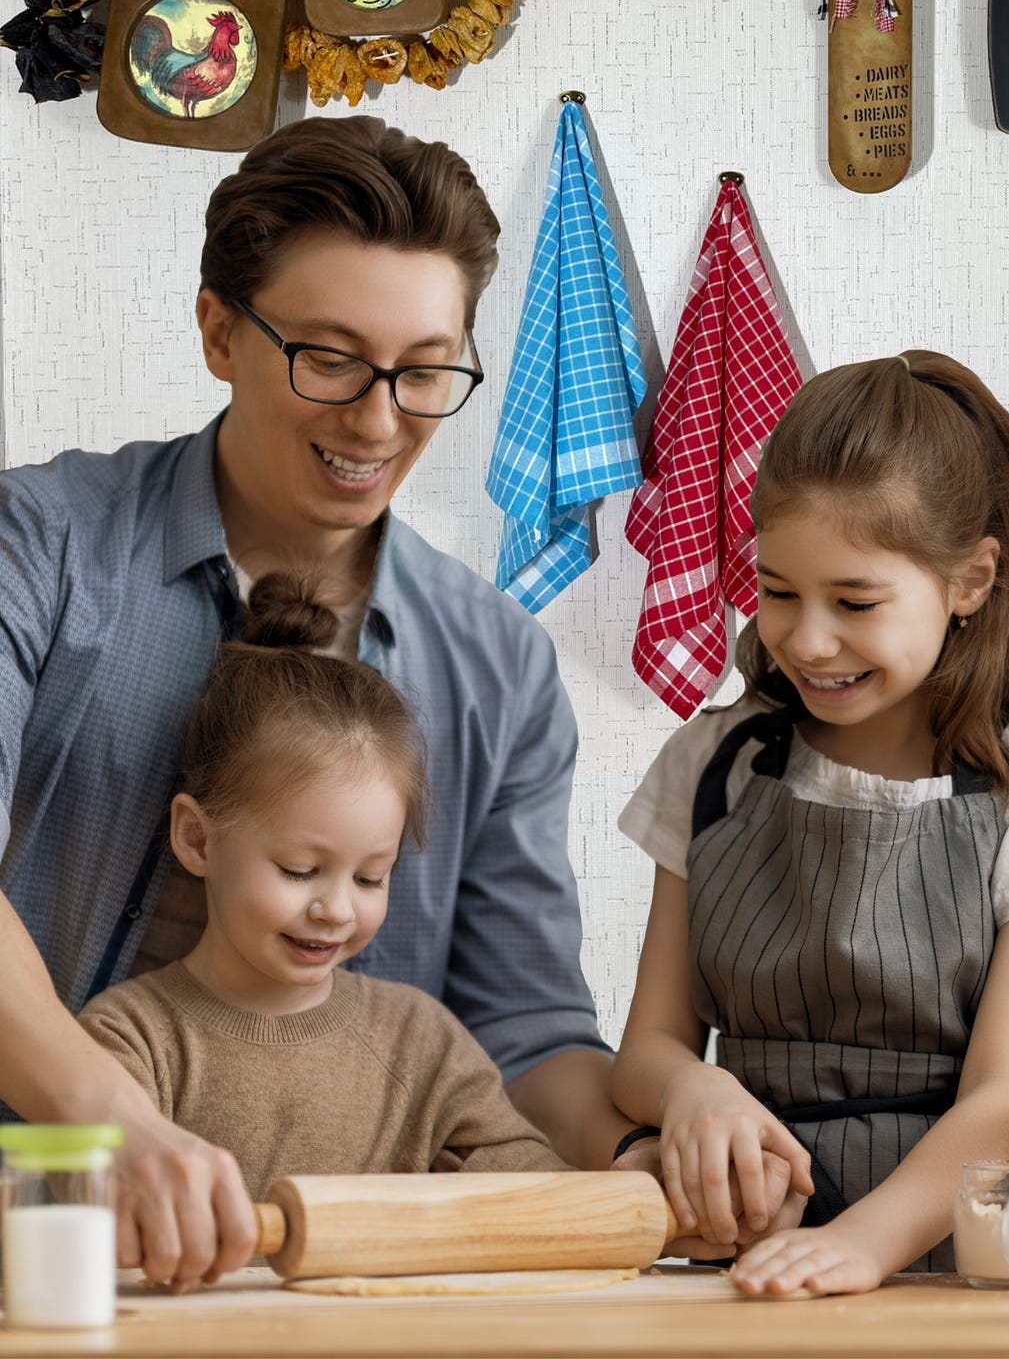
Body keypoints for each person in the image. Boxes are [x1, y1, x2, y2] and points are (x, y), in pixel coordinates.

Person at [0, 116, 625, 1289]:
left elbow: (527, 1032)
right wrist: (106, 1122)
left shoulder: (500, 666)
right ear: (220, 331)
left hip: (342, 1291)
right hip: (35, 1253)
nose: (380, 422)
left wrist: (650, 1141)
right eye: (330, 358)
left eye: (427, 369)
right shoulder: (35, 548)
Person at [611, 353, 1009, 1296]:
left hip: (945, 1264)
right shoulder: (712, 764)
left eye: (855, 602)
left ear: (970, 581)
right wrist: (694, 1090)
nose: (809, 640)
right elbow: (648, 1045)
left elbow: (1005, 1101)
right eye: (778, 591)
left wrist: (859, 1245)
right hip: (735, 1256)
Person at [79, 573, 564, 1200]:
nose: (336, 910)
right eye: (299, 870)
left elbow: (536, 1189)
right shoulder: (129, 1041)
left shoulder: (422, 1042)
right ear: (197, 839)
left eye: (369, 878)